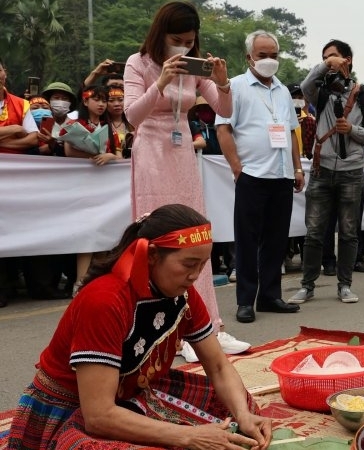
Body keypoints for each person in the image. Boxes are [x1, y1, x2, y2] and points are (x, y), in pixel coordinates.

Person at [8, 204, 272, 450]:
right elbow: (98, 416)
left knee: (240, 410)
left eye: (202, 266)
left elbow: (218, 366)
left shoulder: (184, 294)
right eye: (189, 264)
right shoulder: (105, 301)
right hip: (75, 409)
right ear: (153, 255)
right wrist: (189, 436)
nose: (195, 276)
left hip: (131, 393)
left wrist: (244, 415)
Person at [124, 1, 250, 357]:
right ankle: (166, 331)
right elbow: (132, 116)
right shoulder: (139, 63)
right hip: (151, 151)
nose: (182, 46)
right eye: (176, 39)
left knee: (195, 236)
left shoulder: (194, 67)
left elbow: (223, 111)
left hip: (182, 155)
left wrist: (222, 84)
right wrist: (161, 80)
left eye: (189, 40)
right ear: (160, 34)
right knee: (159, 240)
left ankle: (209, 325)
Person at [216, 30, 303, 323]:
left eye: (273, 56)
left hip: (282, 174)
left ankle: (269, 295)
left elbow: (291, 131)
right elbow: (223, 128)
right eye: (262, 55)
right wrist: (237, 167)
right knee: (247, 239)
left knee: (276, 238)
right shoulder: (235, 87)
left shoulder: (282, 91)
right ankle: (245, 301)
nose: (268, 61)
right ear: (249, 57)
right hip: (252, 174)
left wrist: (298, 168)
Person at [289, 39, 364, 305]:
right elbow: (305, 87)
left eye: (334, 57)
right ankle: (307, 286)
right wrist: (323, 66)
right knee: (314, 231)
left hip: (352, 172)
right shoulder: (319, 90)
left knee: (350, 231)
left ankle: (345, 285)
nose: (330, 62)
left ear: (348, 60)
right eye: (325, 58)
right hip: (321, 169)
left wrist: (351, 130)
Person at [0, 57, 38, 154]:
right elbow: (22, 133)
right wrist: (15, 129)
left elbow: (33, 139)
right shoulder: (16, 128)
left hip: (13, 167)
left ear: (5, 73)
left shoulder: (21, 104)